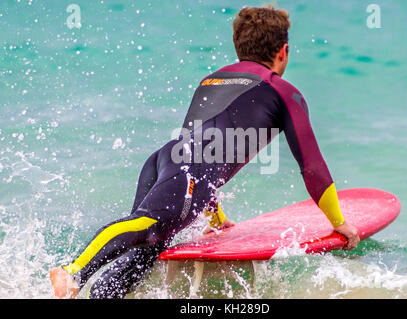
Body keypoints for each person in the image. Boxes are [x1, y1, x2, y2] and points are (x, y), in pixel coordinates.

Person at [50, 5, 360, 299]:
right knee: (145, 227)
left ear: (239, 48)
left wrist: (215, 215)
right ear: (283, 52)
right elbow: (312, 166)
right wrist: (338, 223)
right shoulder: (282, 91)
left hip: (164, 161)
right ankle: (72, 272)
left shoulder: (211, 80)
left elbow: (199, 146)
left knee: (144, 251)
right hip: (188, 172)